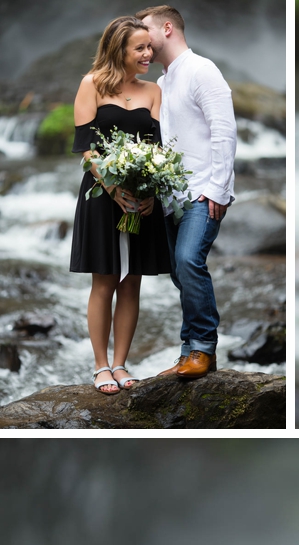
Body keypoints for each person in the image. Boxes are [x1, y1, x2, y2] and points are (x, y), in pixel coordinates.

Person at [70, 16, 172, 394]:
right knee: (105, 281)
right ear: (119, 50)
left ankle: (121, 364)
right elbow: (86, 150)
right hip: (102, 196)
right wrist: (114, 189)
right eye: (140, 48)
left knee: (133, 282)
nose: (149, 54)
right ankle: (100, 367)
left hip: (142, 199)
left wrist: (148, 193)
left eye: (150, 47)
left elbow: (159, 150)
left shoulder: (153, 92)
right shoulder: (91, 84)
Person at [137, 5, 237, 380]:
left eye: (145, 29)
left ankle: (204, 350)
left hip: (202, 191)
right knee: (180, 272)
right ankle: (186, 351)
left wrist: (219, 189)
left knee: (188, 261)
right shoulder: (162, 83)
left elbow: (224, 131)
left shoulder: (202, 69)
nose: (141, 37)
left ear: (167, 28)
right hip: (171, 195)